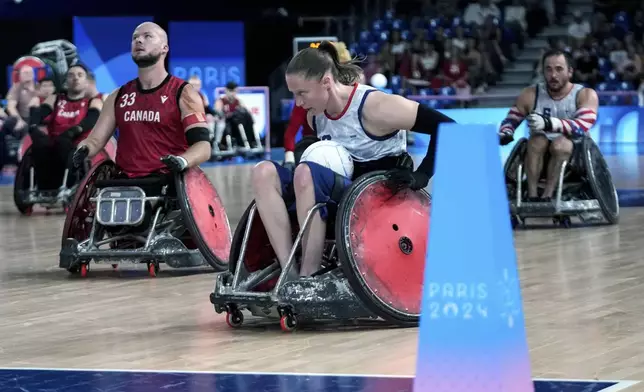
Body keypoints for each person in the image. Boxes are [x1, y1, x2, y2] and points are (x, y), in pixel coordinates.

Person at [249, 41, 454, 282]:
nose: (298, 103)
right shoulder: (315, 116)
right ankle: (289, 273)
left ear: (326, 81)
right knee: (262, 172)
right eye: (294, 94)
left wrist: (423, 175)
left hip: (377, 194)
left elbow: (448, 127)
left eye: (302, 93)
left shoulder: (375, 106)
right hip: (339, 193)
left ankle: (309, 275)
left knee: (305, 174)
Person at [72, 22, 211, 181]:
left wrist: (182, 161)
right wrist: (84, 148)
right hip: (126, 182)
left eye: (147, 36)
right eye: (135, 38)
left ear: (164, 48)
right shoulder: (118, 95)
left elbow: (203, 146)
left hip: (169, 181)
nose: (139, 41)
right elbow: (95, 140)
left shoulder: (183, 92)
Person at [498, 49, 599, 202]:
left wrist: (548, 122)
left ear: (570, 72)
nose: (553, 75)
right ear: (543, 71)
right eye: (548, 69)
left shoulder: (585, 94)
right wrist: (506, 132)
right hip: (539, 153)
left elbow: (581, 126)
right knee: (537, 139)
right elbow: (512, 118)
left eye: (559, 69)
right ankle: (532, 196)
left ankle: (548, 194)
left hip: (574, 156)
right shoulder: (530, 94)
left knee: (560, 144)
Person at [283, 41, 361, 167]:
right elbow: (291, 132)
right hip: (313, 146)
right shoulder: (306, 100)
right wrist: (289, 158)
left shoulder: (359, 97)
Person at [27, 64, 102, 190]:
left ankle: (67, 184)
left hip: (78, 142)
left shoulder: (94, 101)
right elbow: (40, 113)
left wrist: (74, 130)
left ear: (86, 82)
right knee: (39, 144)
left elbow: (91, 120)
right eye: (71, 75)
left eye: (80, 75)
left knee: (64, 143)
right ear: (66, 80)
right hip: (54, 141)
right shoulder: (55, 98)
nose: (75, 78)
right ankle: (43, 187)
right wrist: (33, 126)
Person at [214, 81, 258, 149]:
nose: (232, 93)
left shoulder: (239, 101)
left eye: (234, 91)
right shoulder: (220, 101)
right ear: (226, 91)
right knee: (236, 115)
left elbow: (246, 112)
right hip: (227, 123)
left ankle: (252, 141)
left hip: (237, 124)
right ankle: (221, 144)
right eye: (231, 91)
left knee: (246, 115)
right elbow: (218, 113)